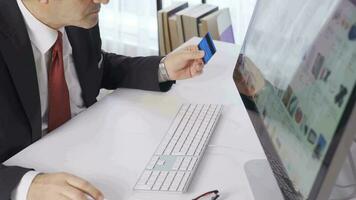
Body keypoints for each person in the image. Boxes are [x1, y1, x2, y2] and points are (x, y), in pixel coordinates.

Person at [0, 0, 206, 199]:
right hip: (33, 170)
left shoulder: (79, 18)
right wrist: (26, 185)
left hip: (95, 147)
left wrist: (162, 69)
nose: (104, 1)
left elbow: (97, 66)